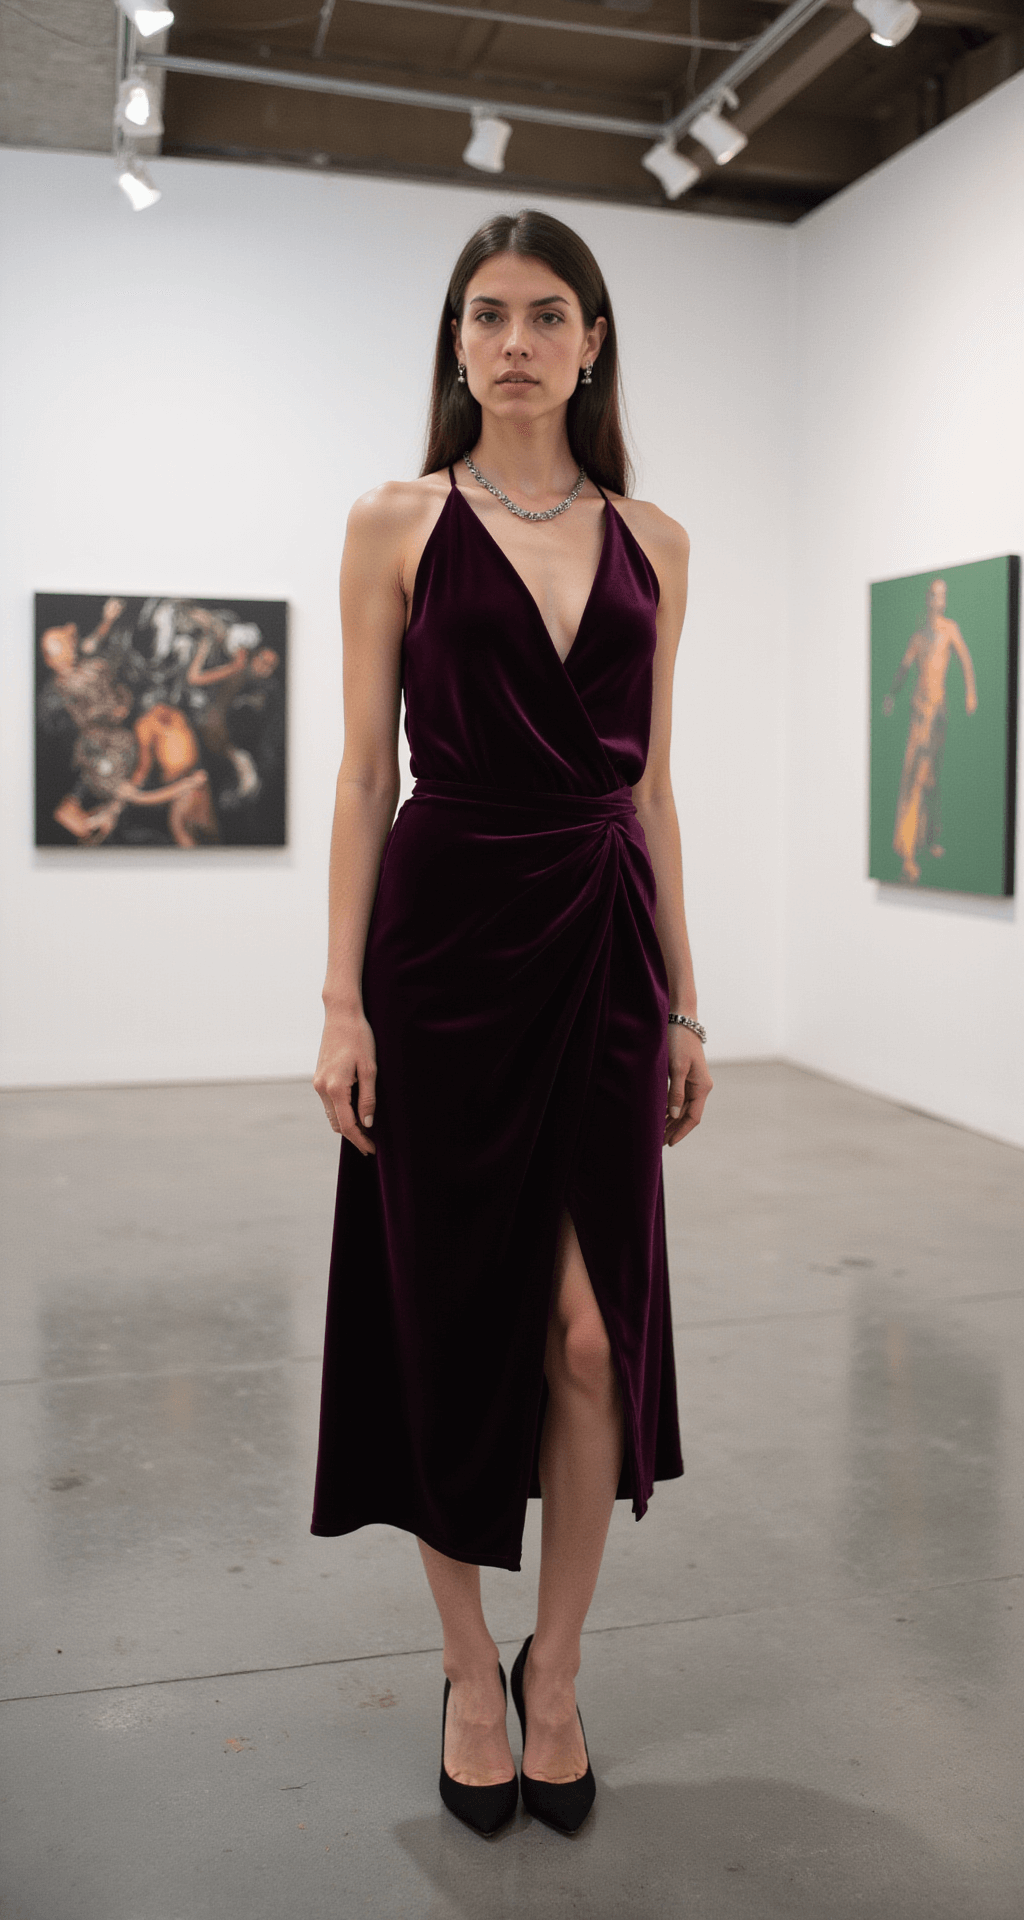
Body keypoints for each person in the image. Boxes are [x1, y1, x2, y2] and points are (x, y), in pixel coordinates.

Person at [311, 210, 712, 1836]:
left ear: (592, 340)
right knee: (443, 1320)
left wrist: (683, 995)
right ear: (456, 343)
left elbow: (649, 784)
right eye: (488, 314)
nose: (517, 340)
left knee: (584, 1332)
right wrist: (340, 997)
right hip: (443, 943)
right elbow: (356, 775)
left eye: (549, 313)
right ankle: (470, 1672)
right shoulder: (395, 521)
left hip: (600, 949)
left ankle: (558, 1670)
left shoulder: (654, 538)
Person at [883, 576, 978, 882]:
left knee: (932, 777)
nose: (940, 600)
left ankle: (930, 837)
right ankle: (907, 853)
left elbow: (965, 660)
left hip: (939, 714)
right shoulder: (919, 637)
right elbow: (904, 667)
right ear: (928, 599)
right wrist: (892, 694)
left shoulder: (950, 630)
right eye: (935, 595)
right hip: (920, 713)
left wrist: (970, 693)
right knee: (915, 777)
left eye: (943, 595)